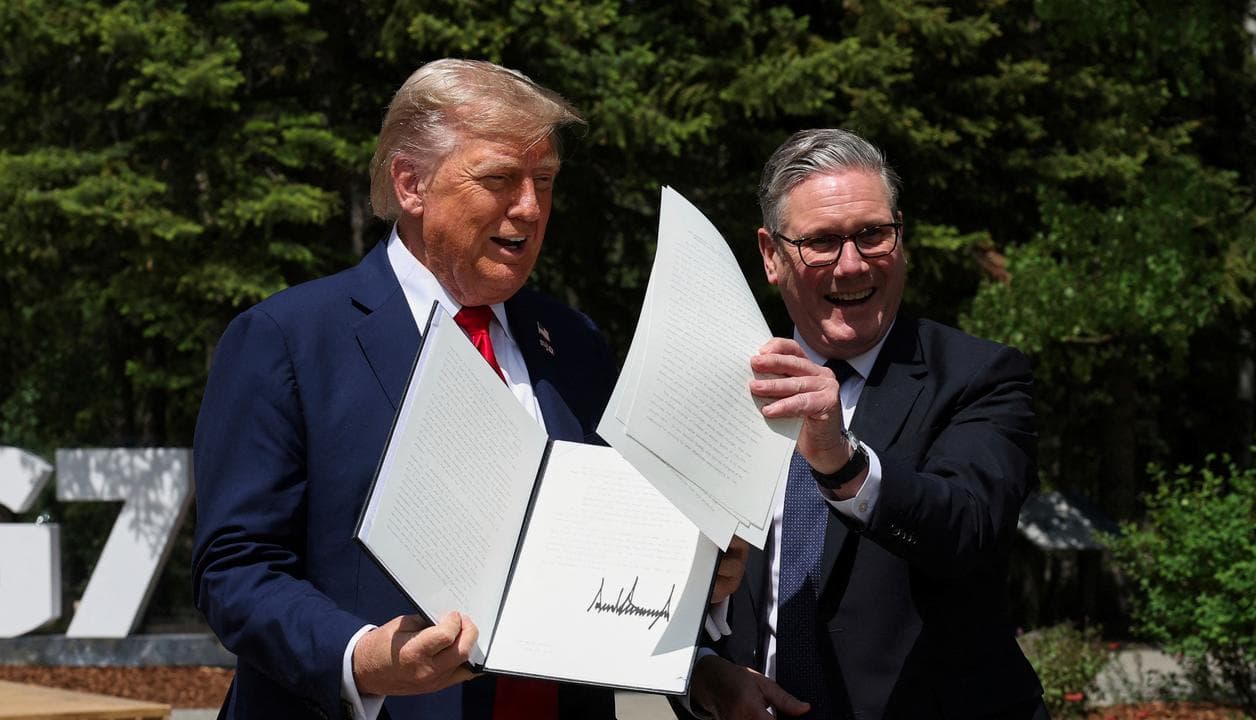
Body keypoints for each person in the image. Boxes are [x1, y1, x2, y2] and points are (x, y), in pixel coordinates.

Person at [191, 59, 620, 720]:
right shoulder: (287, 339)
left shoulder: (574, 344)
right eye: (501, 178)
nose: (531, 208)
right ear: (412, 183)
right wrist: (358, 657)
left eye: (544, 181)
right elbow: (235, 570)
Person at [686, 129, 1047, 719]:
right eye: (822, 242)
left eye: (873, 235)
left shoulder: (980, 376)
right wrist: (705, 676)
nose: (851, 266)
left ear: (901, 236)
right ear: (772, 256)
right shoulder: (721, 389)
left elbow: (966, 528)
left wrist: (841, 461)